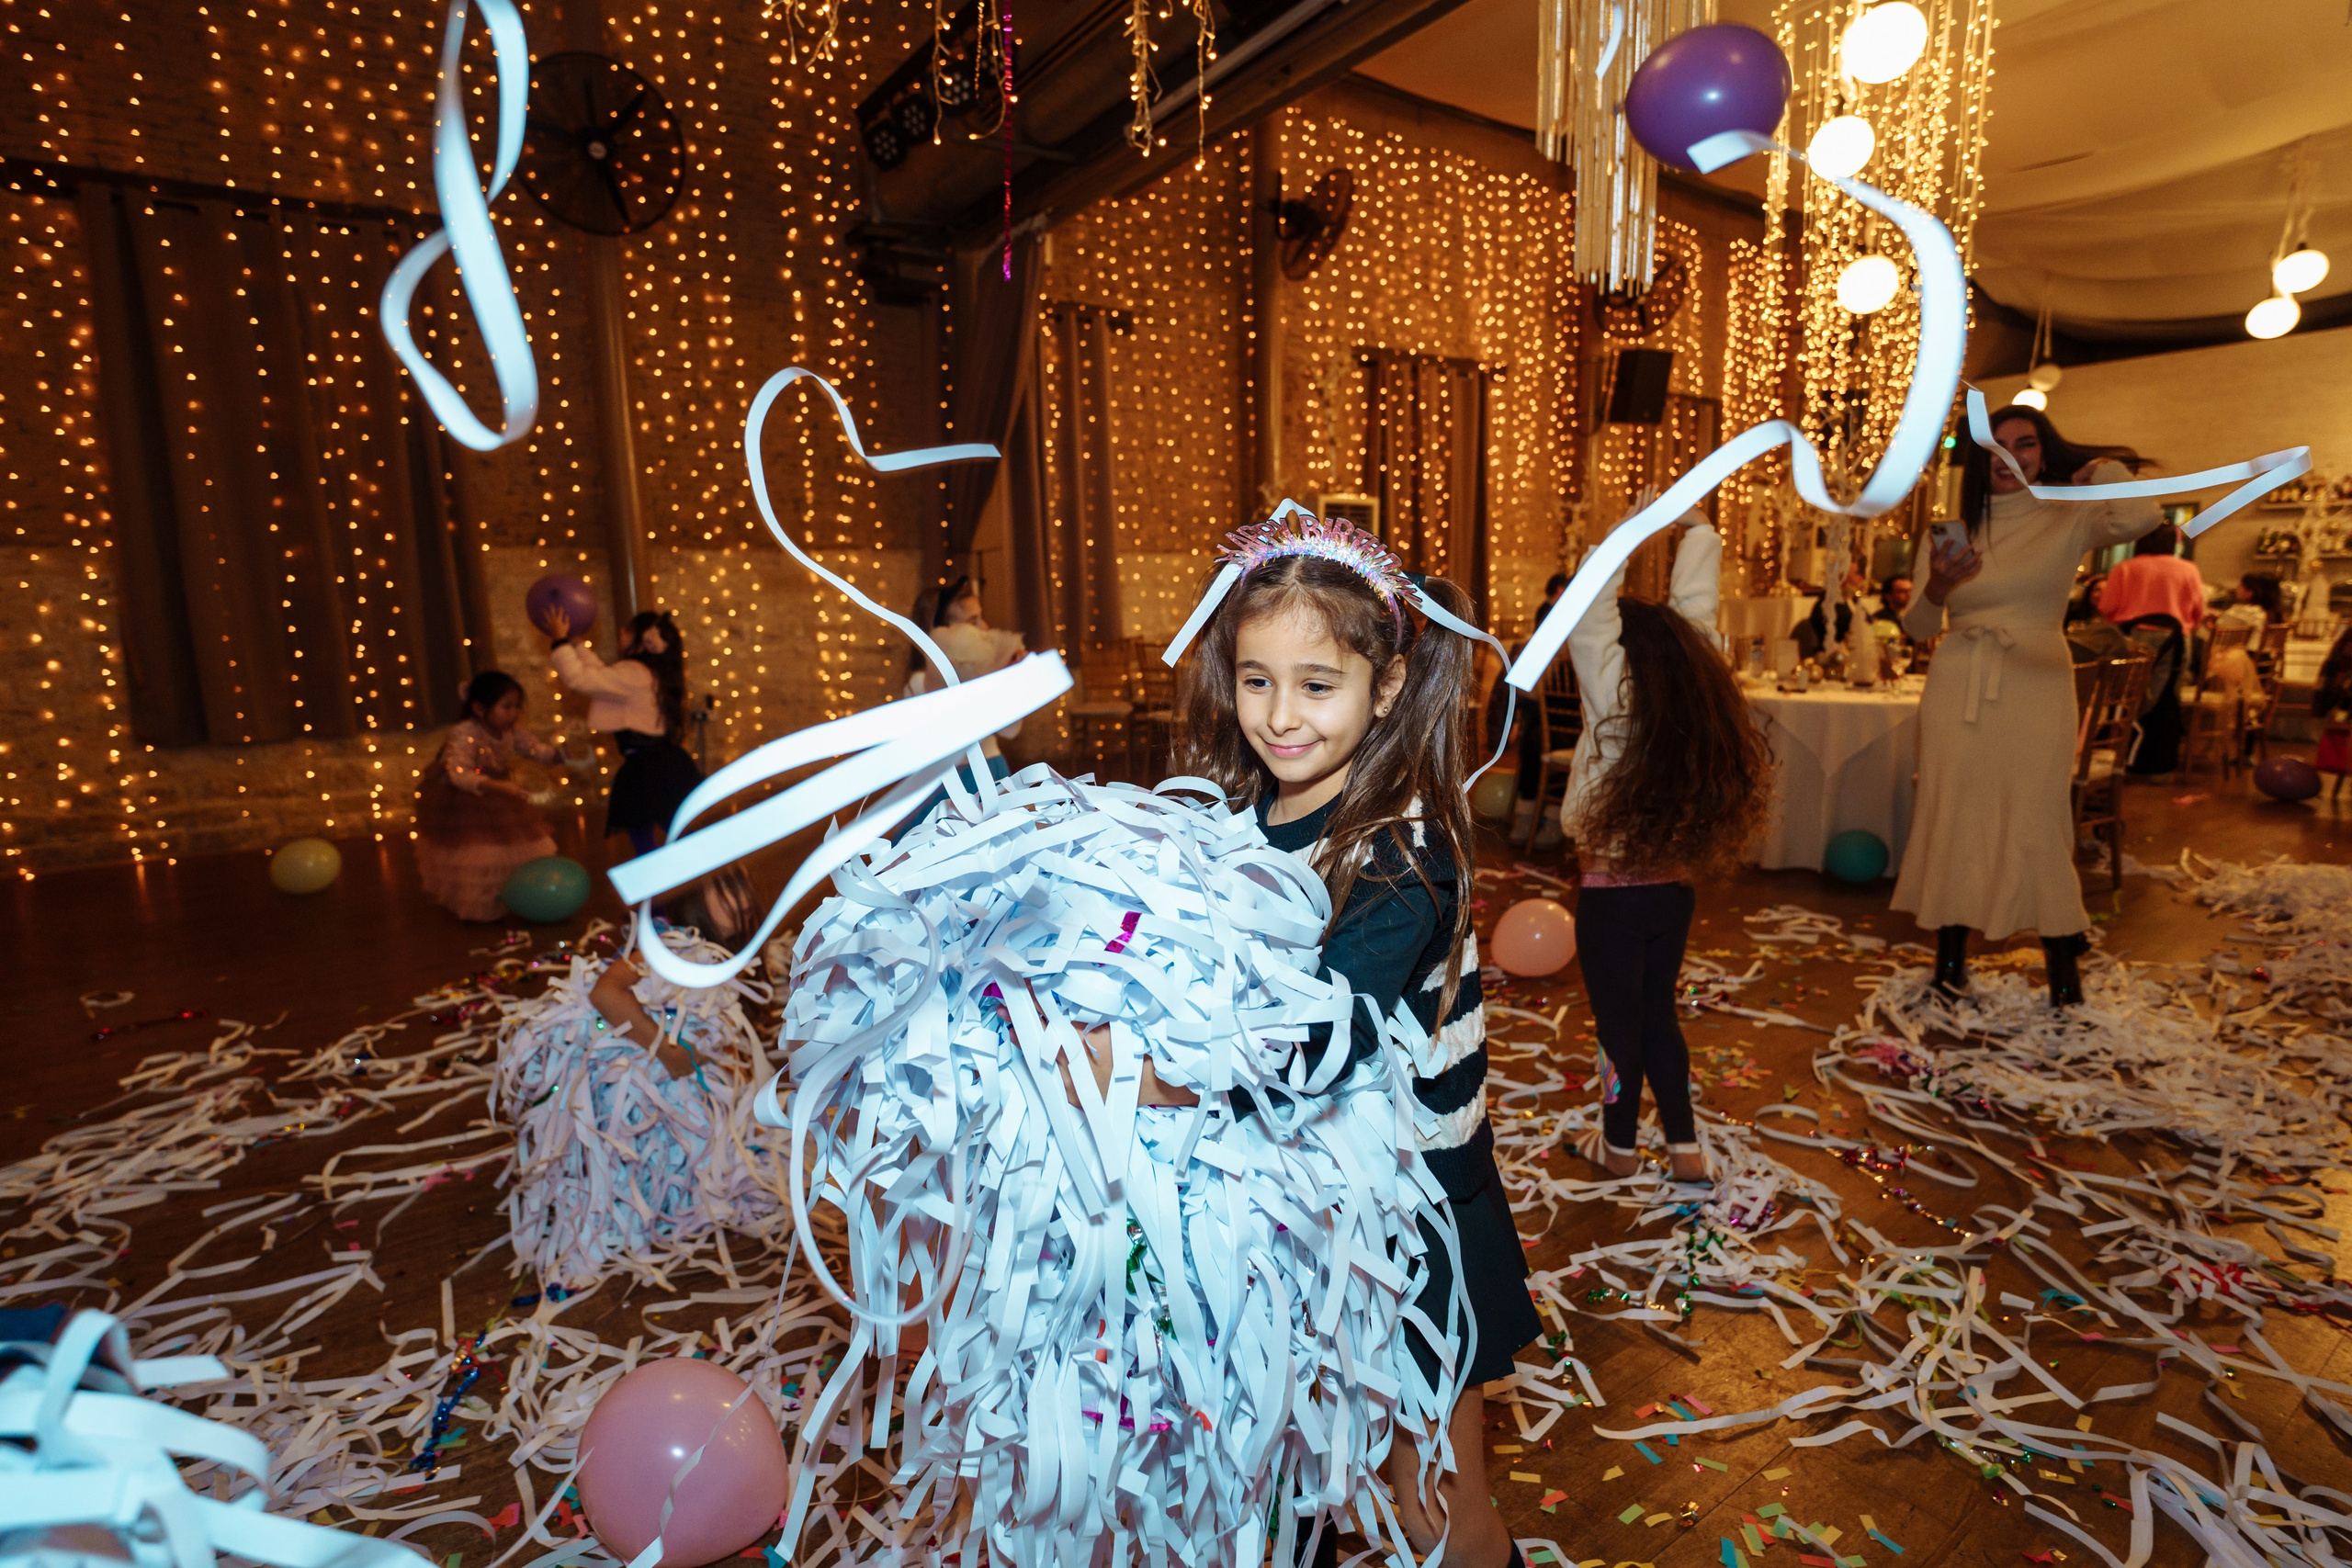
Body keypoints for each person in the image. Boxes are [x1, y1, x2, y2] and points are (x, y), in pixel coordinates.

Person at [1170, 520, 1538, 1568]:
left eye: (1317, 685)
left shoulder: (1402, 854)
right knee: (1276, 1489)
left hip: (1405, 1222)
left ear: (1386, 688)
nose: (1280, 716)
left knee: (1434, 1508)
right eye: (1256, 681)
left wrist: (1136, 1079)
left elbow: (1312, 1049)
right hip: (1276, 1215)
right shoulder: (1235, 816)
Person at [1895, 403, 2162, 1006]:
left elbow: (2142, 515)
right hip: (1958, 682)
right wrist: (1939, 585)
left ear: (2044, 454)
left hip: (2037, 682)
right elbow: (1916, 628)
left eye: (2026, 444)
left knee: (2037, 816)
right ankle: (1949, 962)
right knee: (1953, 812)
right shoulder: (1947, 532)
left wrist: (2101, 470)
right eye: (1996, 446)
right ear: (1976, 457)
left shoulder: (2067, 515)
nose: (2009, 457)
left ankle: (2064, 966)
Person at [1562, 515, 1771, 1183]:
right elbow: (1696, 617)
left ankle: (1619, 1146)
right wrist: (1698, 533)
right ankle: (1684, 1148)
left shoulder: (1614, 694)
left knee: (1616, 1027)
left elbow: (1590, 616)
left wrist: (1622, 536)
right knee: (1659, 1017)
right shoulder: (1688, 690)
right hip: (1673, 893)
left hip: (1610, 900)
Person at [547, 608, 704, 856]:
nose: (621, 631)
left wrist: (559, 642)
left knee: (648, 831)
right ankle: (697, 872)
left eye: (628, 629)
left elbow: (581, 679)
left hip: (649, 767)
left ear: (642, 642)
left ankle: (660, 875)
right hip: (664, 763)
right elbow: (601, 676)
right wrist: (576, 645)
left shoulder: (634, 673)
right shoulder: (644, 673)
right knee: (667, 828)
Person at [413, 671, 564, 921]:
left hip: (498, 789)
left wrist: (560, 754)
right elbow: (458, 773)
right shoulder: (465, 731)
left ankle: (517, 894)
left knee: (514, 845)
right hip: (465, 794)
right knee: (480, 851)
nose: (513, 713)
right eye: (506, 706)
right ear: (479, 708)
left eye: (516, 706)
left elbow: (535, 750)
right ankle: (483, 901)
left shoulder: (513, 731)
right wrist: (498, 786)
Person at [904, 573, 1027, 776]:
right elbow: (946, 736)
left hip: (991, 766)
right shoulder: (919, 682)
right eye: (973, 621)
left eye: (981, 617)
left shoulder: (984, 671)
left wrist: (1010, 679)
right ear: (941, 632)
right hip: (952, 777)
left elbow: (1010, 730)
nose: (984, 627)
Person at [1507, 571, 1571, 846]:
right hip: (1552, 724)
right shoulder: (1544, 643)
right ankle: (1540, 814)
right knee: (1539, 737)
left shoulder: (1577, 642)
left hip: (1564, 724)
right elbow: (1521, 689)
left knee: (1539, 738)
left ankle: (1535, 813)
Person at [2099, 523, 2205, 633]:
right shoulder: (2189, 569)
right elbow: (2198, 611)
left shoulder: (2123, 568)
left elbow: (2107, 607)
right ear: (2172, 543)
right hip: (2175, 636)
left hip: (2129, 634)